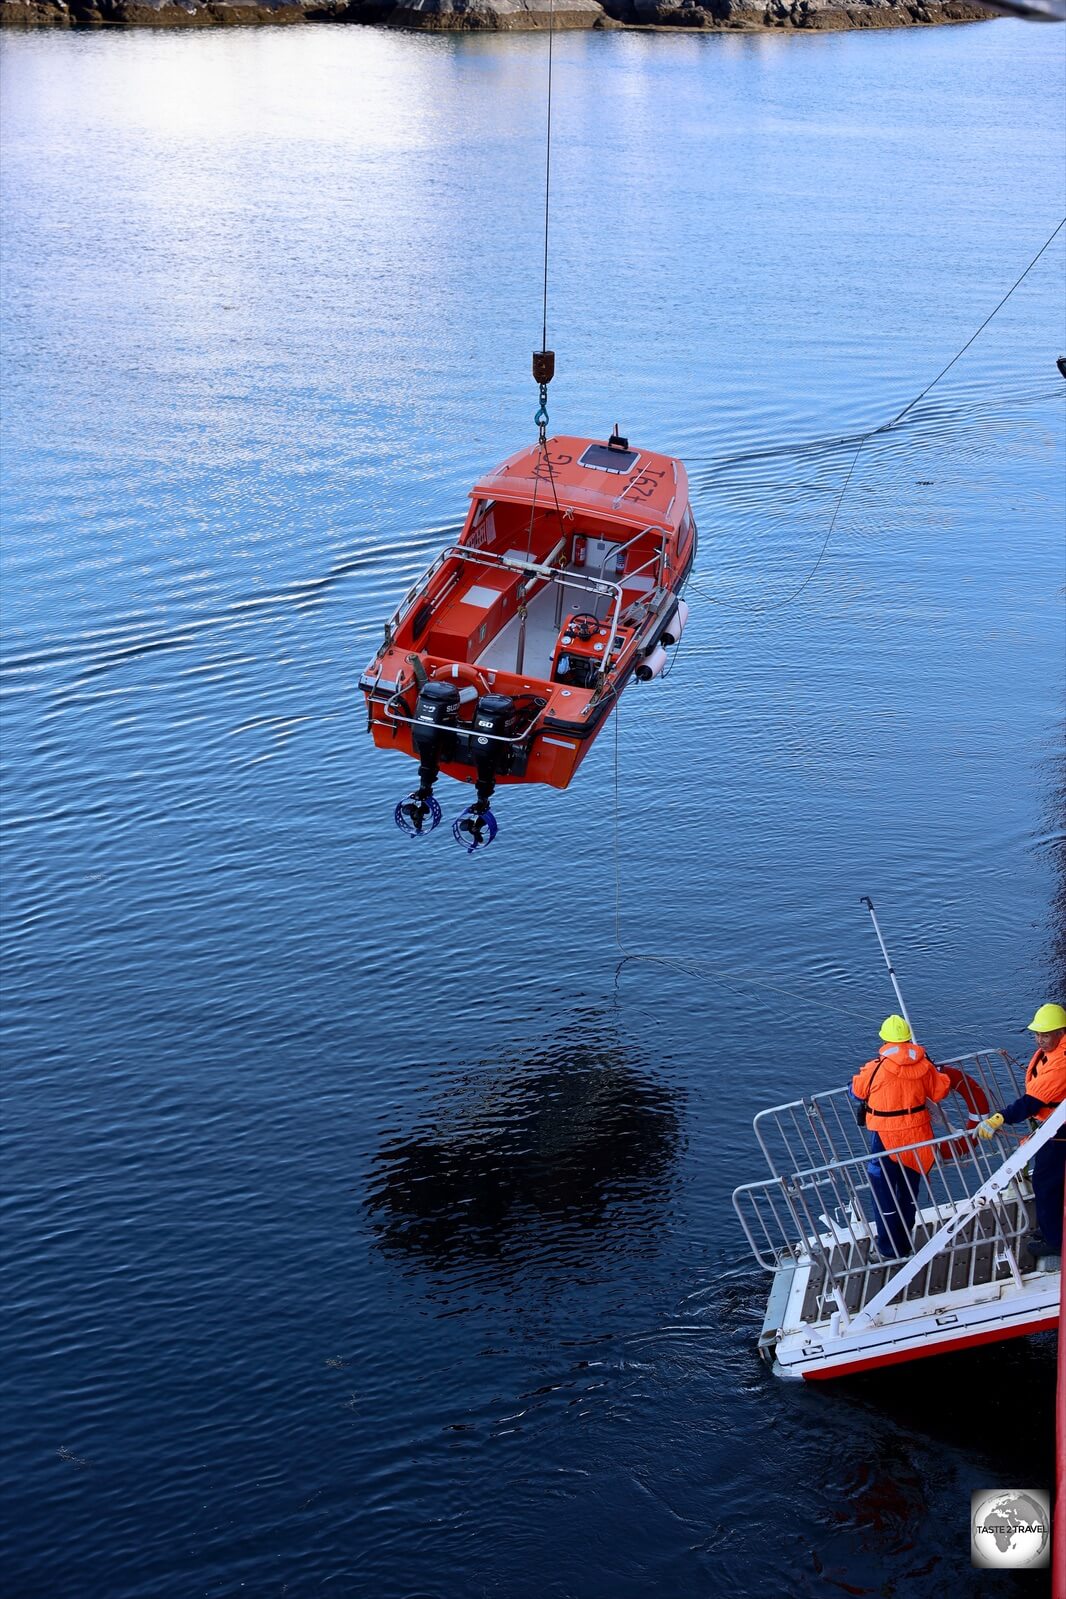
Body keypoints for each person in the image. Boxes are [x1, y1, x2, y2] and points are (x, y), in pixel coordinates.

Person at [851, 1015, 952, 1259]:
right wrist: (937, 1070)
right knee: (908, 1192)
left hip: (886, 1138)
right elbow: (940, 1091)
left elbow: (857, 1091)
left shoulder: (875, 1068)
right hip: (919, 1136)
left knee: (884, 1192)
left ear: (885, 1040)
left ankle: (888, 1248)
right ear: (908, 1038)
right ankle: (903, 1243)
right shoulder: (924, 1065)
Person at [976, 1002, 1066, 1257]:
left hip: (1059, 1132)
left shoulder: (1061, 1064)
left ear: (1061, 1033)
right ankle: (1052, 1228)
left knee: (1046, 1182)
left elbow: (1032, 1102)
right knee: (1049, 1181)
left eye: (1045, 1035)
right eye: (1037, 1034)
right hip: (1052, 1126)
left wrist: (998, 1119)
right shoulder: (1055, 1053)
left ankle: (1054, 1241)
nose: (1040, 1040)